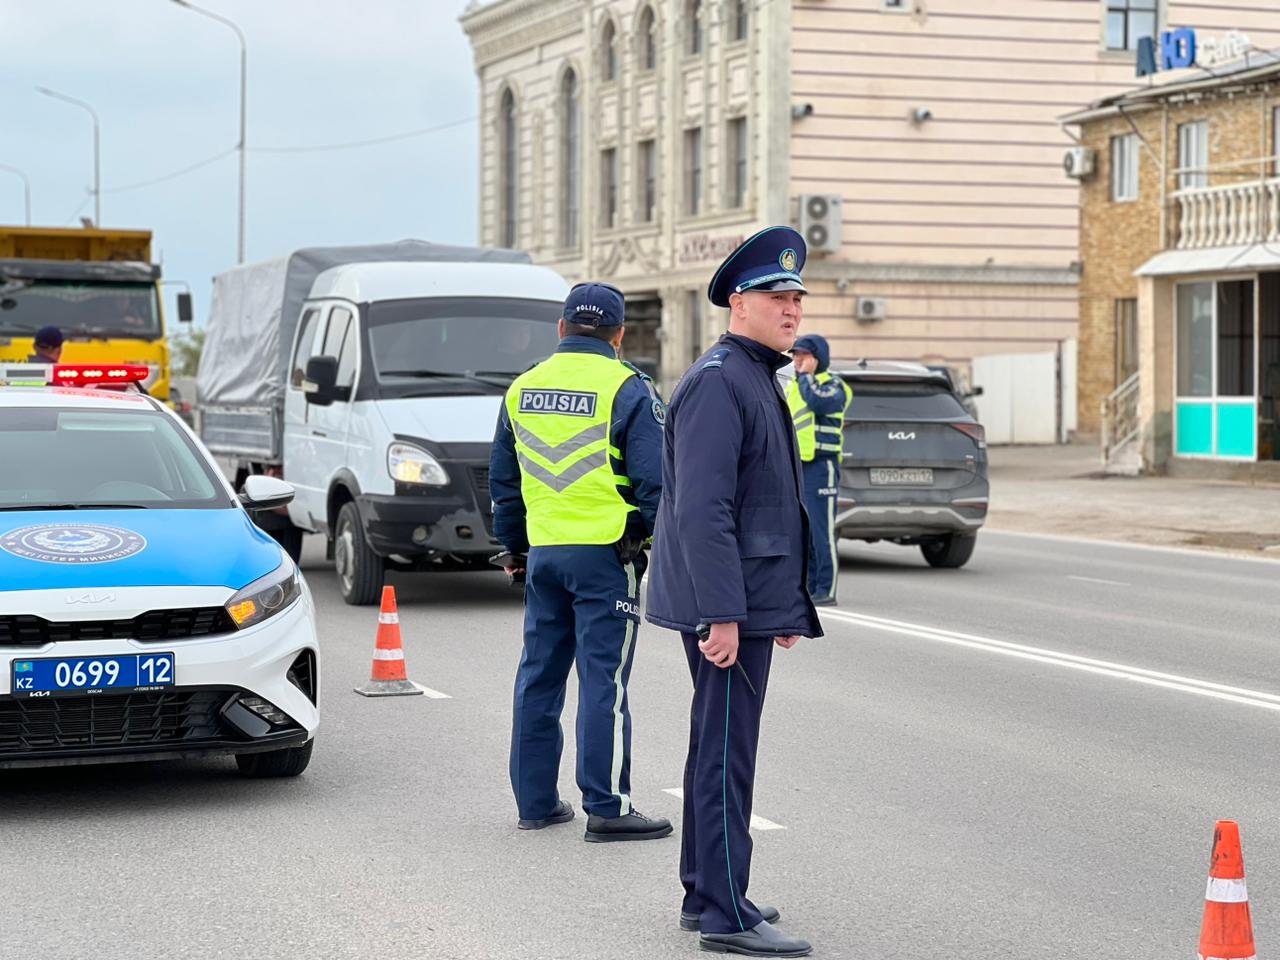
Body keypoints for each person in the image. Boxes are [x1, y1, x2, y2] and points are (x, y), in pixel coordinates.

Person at [647, 227, 821, 958]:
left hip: (749, 599)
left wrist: (782, 604)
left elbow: (765, 503)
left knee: (717, 747)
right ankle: (725, 914)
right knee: (725, 755)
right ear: (739, 302)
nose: (792, 309)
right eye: (778, 297)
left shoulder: (753, 374)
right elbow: (703, 509)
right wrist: (722, 613)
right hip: (727, 606)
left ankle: (705, 888)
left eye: (797, 298)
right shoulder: (723, 380)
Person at [489, 281, 673, 843]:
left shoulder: (522, 388)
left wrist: (515, 549)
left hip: (542, 557)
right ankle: (608, 807)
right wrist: (656, 549)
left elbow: (506, 480)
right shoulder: (629, 388)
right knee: (604, 681)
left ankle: (537, 803)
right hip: (605, 558)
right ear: (618, 335)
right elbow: (656, 485)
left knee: (538, 678)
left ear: (562, 329)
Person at [785, 334, 852, 606]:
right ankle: (810, 588)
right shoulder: (795, 386)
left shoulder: (835, 386)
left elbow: (819, 403)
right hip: (798, 465)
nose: (798, 361)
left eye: (804, 356)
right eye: (795, 356)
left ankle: (826, 588)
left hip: (822, 466)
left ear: (818, 359)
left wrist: (807, 377)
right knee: (806, 532)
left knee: (822, 531)